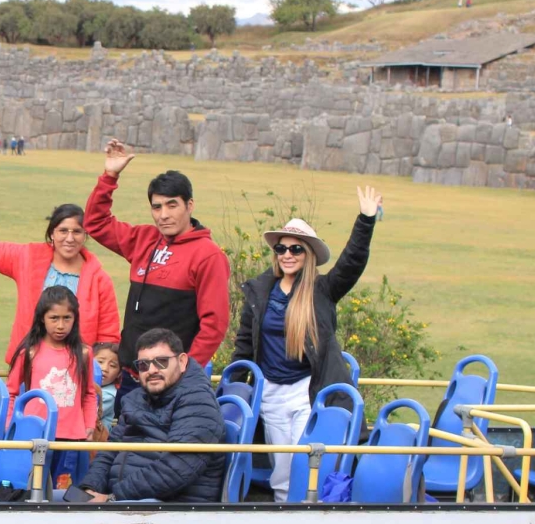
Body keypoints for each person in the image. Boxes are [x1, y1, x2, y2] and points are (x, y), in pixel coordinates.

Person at [232, 188, 382, 501]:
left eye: (296, 249)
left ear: (308, 254)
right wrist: (233, 386)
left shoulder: (322, 290)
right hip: (271, 392)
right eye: (281, 248)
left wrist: (366, 220)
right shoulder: (260, 291)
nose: (287, 254)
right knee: (282, 467)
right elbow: (245, 343)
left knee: (307, 459)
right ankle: (282, 512)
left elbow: (351, 263)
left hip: (306, 390)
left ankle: (308, 513)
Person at [84, 139, 230, 396]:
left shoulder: (208, 255)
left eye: (172, 205)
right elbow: (96, 223)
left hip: (171, 382)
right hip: (132, 377)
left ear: (190, 205)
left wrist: (185, 373)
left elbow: (214, 324)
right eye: (157, 207)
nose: (163, 215)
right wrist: (110, 176)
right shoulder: (143, 240)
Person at [0, 171, 119, 367]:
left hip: (76, 370)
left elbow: (108, 337)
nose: (70, 238)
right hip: (28, 366)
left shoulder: (99, 279)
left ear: (85, 235)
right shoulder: (28, 258)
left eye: (77, 232)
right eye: (63, 231)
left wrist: (97, 373)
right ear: (52, 233)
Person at [74, 328, 226, 503]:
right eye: (143, 364)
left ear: (182, 361)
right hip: (126, 500)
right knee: (55, 499)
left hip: (170, 507)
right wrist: (90, 488)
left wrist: (112, 498)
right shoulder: (136, 399)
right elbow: (110, 450)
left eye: (161, 362)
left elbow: (176, 469)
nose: (152, 370)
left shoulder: (198, 402)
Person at [6, 286, 99, 486]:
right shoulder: (29, 352)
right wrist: (10, 426)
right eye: (54, 318)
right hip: (34, 435)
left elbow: (89, 394)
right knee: (31, 488)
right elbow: (11, 392)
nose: (60, 325)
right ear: (42, 318)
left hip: (71, 439)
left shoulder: (84, 353)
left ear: (75, 319)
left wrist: (89, 425)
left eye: (67, 318)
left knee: (62, 492)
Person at [93, 342, 121, 436]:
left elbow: (88, 415)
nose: (104, 368)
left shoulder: (109, 396)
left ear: (119, 374)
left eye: (112, 366)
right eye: (100, 362)